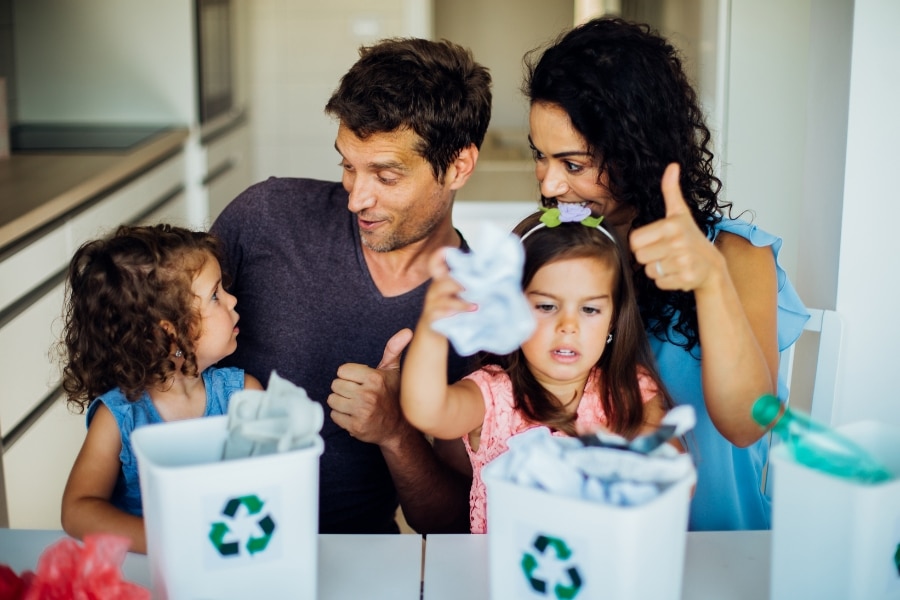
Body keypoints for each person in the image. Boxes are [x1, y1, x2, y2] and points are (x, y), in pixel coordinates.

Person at [523, 17, 809, 530]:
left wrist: (711, 282)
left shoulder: (737, 255)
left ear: (636, 150)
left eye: (573, 163)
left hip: (720, 548)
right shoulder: (561, 257)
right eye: (540, 157)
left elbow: (747, 425)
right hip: (593, 543)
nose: (548, 184)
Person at [210, 38, 492, 534]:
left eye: (385, 175)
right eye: (347, 165)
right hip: (218, 531)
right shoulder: (265, 217)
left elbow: (452, 526)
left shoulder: (478, 310)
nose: (357, 198)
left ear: (457, 167)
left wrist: (395, 431)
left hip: (357, 557)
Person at [400, 210, 676, 533]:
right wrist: (433, 327)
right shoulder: (493, 397)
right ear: (513, 311)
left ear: (613, 319)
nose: (568, 326)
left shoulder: (631, 391)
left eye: (589, 309)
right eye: (546, 306)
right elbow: (427, 411)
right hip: (507, 574)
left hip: (602, 571)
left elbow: (673, 483)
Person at [59, 224, 263, 553]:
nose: (233, 299)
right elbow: (78, 509)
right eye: (215, 295)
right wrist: (169, 542)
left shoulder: (244, 396)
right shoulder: (120, 418)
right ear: (171, 334)